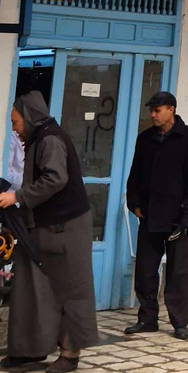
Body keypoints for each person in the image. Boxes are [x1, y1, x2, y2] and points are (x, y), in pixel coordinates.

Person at [0, 91, 99, 373]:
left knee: (71, 291)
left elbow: (55, 179)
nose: (15, 130)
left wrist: (17, 197)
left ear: (29, 118)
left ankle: (70, 354)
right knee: (31, 288)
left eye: (16, 123)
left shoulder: (51, 140)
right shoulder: (36, 139)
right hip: (42, 227)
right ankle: (28, 350)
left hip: (68, 228)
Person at [124, 92, 188, 340]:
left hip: (178, 218)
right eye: (152, 110)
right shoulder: (146, 138)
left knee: (178, 274)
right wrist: (134, 203)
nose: (153, 115)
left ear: (171, 109)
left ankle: (179, 322)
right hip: (149, 216)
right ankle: (147, 318)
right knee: (146, 271)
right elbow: (135, 174)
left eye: (157, 110)